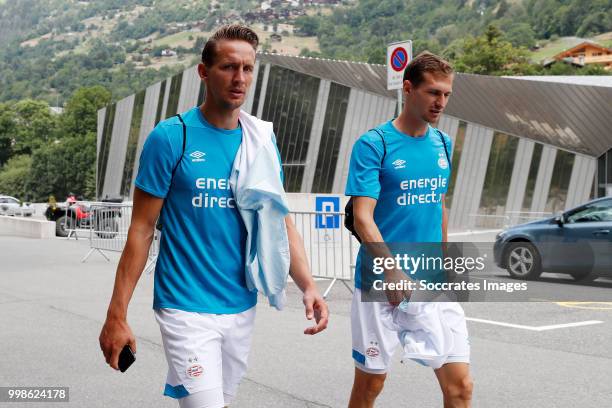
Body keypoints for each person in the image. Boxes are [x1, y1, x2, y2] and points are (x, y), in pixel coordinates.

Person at [99, 24, 329, 408]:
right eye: (228, 67)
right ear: (204, 72)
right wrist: (116, 315)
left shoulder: (261, 139)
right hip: (184, 306)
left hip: (240, 306)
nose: (239, 78)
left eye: (247, 68)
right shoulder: (172, 138)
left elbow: (277, 218)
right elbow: (141, 230)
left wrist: (307, 284)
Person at [345, 52, 473, 408]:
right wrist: (392, 271)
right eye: (433, 92)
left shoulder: (443, 144)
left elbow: (438, 205)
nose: (441, 102)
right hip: (380, 284)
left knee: (460, 386)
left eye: (446, 94)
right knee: (370, 386)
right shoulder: (375, 144)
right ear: (407, 88)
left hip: (431, 282)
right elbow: (362, 217)